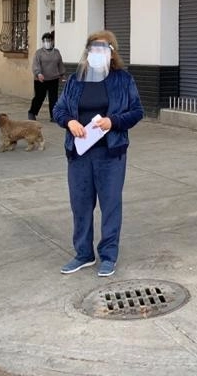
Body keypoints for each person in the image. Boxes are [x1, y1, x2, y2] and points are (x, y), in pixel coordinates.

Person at [53, 30, 143, 277]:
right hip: (79, 154)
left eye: (103, 49)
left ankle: (108, 255)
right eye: (93, 48)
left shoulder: (122, 80)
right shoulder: (75, 80)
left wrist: (113, 121)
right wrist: (69, 122)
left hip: (110, 154)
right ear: (87, 52)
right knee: (80, 205)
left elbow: (137, 111)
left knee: (110, 204)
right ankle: (83, 253)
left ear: (112, 53)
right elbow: (58, 109)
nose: (97, 53)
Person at [29, 31, 65, 121]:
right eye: (45, 40)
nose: (47, 42)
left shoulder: (56, 52)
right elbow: (35, 64)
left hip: (53, 79)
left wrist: (62, 74)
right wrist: (38, 73)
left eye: (49, 40)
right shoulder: (39, 53)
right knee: (39, 97)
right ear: (43, 42)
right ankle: (32, 112)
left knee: (53, 98)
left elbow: (60, 64)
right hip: (41, 79)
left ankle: (53, 116)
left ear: (52, 41)